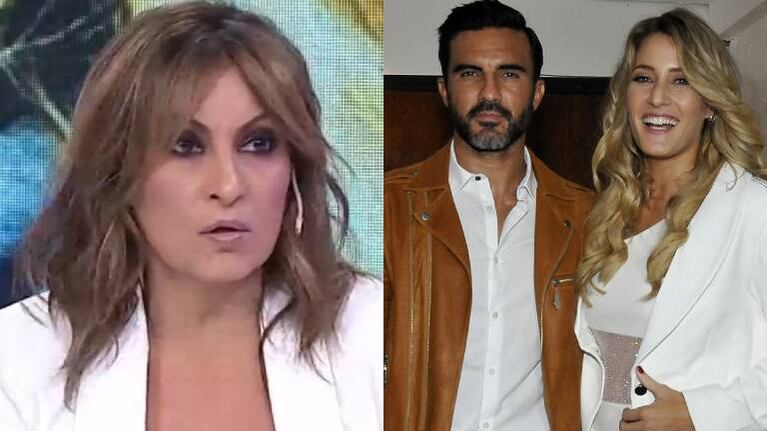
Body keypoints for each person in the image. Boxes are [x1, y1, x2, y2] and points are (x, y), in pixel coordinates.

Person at [0, 2, 382, 430]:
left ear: (294, 165)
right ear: (119, 168)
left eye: (259, 143)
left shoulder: (383, 333)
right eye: (185, 145)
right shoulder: (16, 361)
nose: (229, 185)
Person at [384, 1, 593, 429]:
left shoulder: (587, 216)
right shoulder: (386, 209)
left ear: (537, 92)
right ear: (444, 90)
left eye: (509, 74)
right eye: (470, 73)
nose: (490, 94)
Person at [574, 8, 767, 431]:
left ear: (710, 103)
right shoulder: (603, 213)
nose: (658, 97)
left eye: (681, 81)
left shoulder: (752, 208)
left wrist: (702, 414)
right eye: (644, 78)